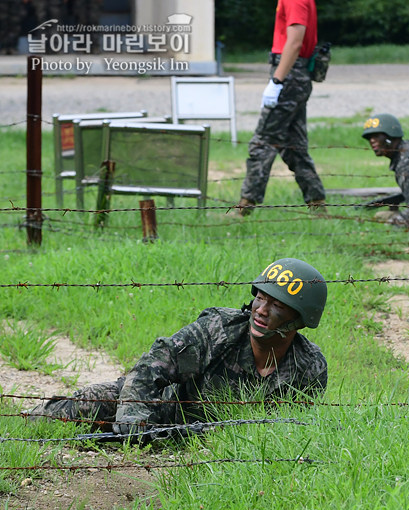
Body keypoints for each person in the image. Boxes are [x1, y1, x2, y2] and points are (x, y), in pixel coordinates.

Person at [27, 258, 328, 440]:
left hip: (202, 437)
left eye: (276, 306)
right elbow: (149, 369)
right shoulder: (219, 329)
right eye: (260, 298)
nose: (261, 310)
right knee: (67, 411)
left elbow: (288, 428)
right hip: (159, 406)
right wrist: (132, 421)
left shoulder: (310, 367)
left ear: (298, 320)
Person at [235, 0, 326, 217]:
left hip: (289, 75)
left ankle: (244, 207)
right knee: (295, 146)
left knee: (263, 141)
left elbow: (295, 42)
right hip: (295, 75)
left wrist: (277, 81)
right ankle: (317, 204)